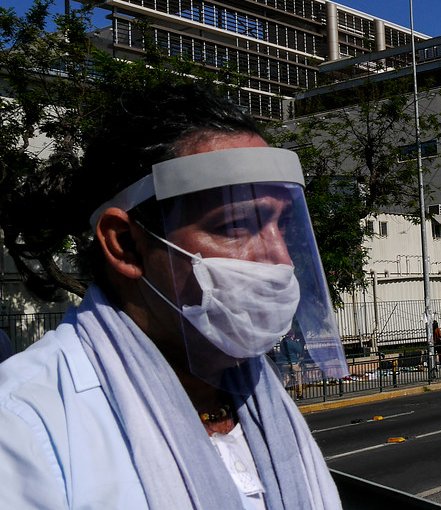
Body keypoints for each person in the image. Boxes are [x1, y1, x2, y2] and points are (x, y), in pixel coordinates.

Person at [0, 82, 347, 509]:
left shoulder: (262, 398)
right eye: (237, 225)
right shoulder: (25, 427)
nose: (278, 259)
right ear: (125, 244)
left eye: (283, 226)